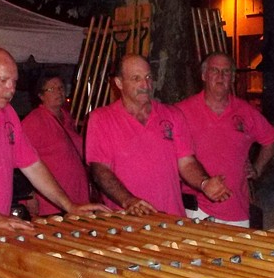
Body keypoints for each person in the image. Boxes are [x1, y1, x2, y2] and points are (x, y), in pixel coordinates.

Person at [0, 49, 104, 229]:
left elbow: (32, 166)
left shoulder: (8, 114)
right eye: (3, 80)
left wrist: (69, 206)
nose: (11, 89)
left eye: (14, 82)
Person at [85, 54, 230, 216]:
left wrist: (204, 183)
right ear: (119, 83)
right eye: (136, 78)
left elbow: (186, 162)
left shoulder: (172, 115)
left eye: (148, 77)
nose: (145, 84)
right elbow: (100, 171)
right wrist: (128, 200)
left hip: (171, 218)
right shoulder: (101, 119)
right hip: (125, 221)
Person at [176, 53, 274, 227]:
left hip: (234, 208)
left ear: (232, 78)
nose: (221, 76)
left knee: (236, 253)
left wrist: (257, 169)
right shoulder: (181, 111)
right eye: (214, 71)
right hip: (193, 208)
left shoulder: (246, 112)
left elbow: (271, 139)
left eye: (226, 72)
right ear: (203, 75)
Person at [21, 74, 92, 216]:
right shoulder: (34, 121)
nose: (58, 92)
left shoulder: (67, 117)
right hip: (52, 202)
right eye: (51, 89)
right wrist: (28, 195)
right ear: (41, 95)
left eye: (60, 88)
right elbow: (20, 159)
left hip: (77, 196)